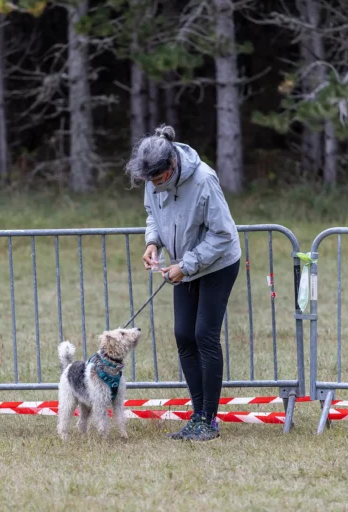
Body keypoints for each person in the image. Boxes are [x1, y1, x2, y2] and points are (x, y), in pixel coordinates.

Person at [125, 124, 241, 441]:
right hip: (184, 265)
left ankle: (209, 420)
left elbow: (223, 235)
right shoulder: (154, 179)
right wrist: (153, 243)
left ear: (172, 166)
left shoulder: (204, 180)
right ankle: (197, 415)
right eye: (149, 181)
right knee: (183, 335)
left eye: (158, 180)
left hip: (217, 263)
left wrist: (185, 265)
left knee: (204, 335)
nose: (154, 186)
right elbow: (154, 214)